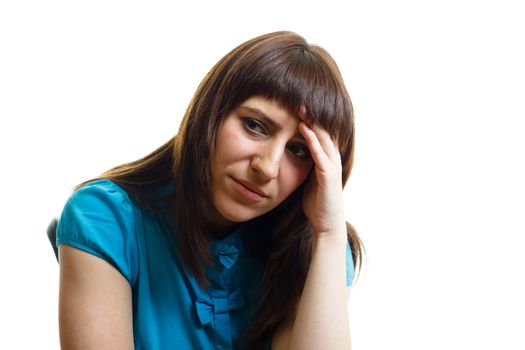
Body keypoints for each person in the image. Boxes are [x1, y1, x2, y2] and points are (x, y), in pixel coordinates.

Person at [56, 31, 363, 350]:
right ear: (211, 112)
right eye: (254, 126)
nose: (266, 167)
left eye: (298, 150)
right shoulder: (104, 219)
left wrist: (328, 235)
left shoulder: (317, 249)